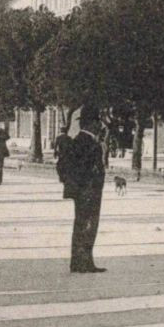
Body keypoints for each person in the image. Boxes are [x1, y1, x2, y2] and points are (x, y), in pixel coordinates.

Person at [58, 110, 107, 272]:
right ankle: (84, 262)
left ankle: (79, 262)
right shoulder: (88, 142)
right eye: (97, 122)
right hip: (88, 190)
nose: (100, 125)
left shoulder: (79, 140)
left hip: (83, 190)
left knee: (81, 225)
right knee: (88, 226)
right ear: (90, 124)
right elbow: (86, 167)